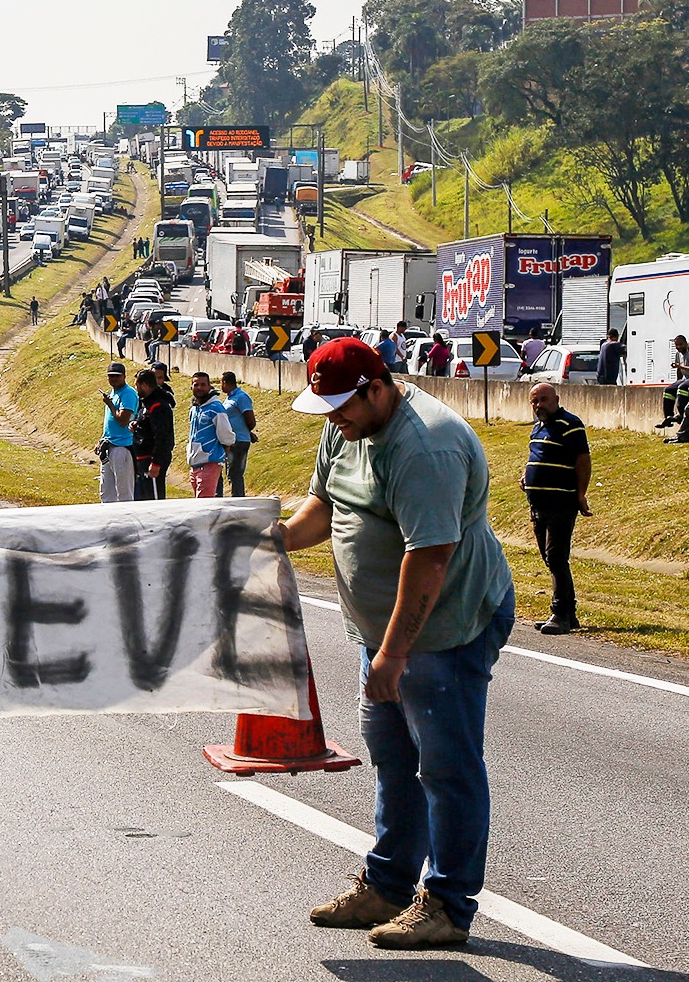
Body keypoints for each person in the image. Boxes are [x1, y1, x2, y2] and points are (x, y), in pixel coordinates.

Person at [284, 337, 513, 950]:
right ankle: (387, 887)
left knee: (446, 766)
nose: (334, 419)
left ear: (377, 386)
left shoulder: (425, 446)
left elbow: (430, 557)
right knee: (392, 757)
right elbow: (322, 509)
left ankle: (447, 904)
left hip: (443, 629)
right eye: (327, 409)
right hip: (383, 631)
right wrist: (272, 537)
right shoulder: (347, 427)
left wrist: (393, 655)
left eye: (342, 407)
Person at [521, 383, 591, 635]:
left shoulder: (570, 424)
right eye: (534, 401)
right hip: (537, 503)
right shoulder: (538, 427)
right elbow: (538, 457)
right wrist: (527, 476)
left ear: (556, 399)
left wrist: (581, 493)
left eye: (544, 400)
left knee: (556, 557)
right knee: (549, 557)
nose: (539, 405)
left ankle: (560, 613)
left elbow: (582, 459)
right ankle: (569, 614)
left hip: (561, 502)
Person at [185, 372, 234, 498]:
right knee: (199, 503)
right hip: (195, 463)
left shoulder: (216, 408)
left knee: (204, 504)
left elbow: (226, 436)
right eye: (196, 385)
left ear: (209, 387)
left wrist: (221, 453)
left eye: (203, 385)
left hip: (209, 463)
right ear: (191, 387)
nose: (199, 388)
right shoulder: (194, 409)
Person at [97, 361, 138, 503]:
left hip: (122, 448)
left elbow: (122, 420)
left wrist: (110, 404)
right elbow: (110, 423)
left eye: (117, 376)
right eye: (111, 376)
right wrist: (102, 439)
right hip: (108, 446)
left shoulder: (128, 394)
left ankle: (127, 522)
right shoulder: (113, 393)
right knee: (106, 492)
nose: (114, 378)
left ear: (124, 376)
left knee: (124, 491)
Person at [130, 368, 173, 501]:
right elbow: (147, 424)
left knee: (153, 499)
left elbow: (162, 436)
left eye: (137, 385)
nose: (136, 389)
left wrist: (156, 462)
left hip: (152, 458)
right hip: (143, 457)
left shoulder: (158, 406)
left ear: (144, 385)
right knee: (144, 498)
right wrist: (137, 426)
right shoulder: (146, 404)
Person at [217, 371, 257, 497]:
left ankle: (238, 499)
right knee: (231, 473)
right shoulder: (229, 398)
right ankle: (235, 497)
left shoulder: (241, 397)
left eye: (221, 382)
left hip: (239, 441)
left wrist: (247, 432)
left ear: (225, 382)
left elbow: (250, 420)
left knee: (235, 472)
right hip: (231, 440)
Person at [658, 335, 689, 428]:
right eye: (677, 345)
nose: (679, 347)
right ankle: (668, 417)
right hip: (685, 378)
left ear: (686, 343)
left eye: (681, 344)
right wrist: (677, 381)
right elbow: (678, 370)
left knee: (682, 388)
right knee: (668, 390)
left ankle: (681, 415)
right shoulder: (678, 354)